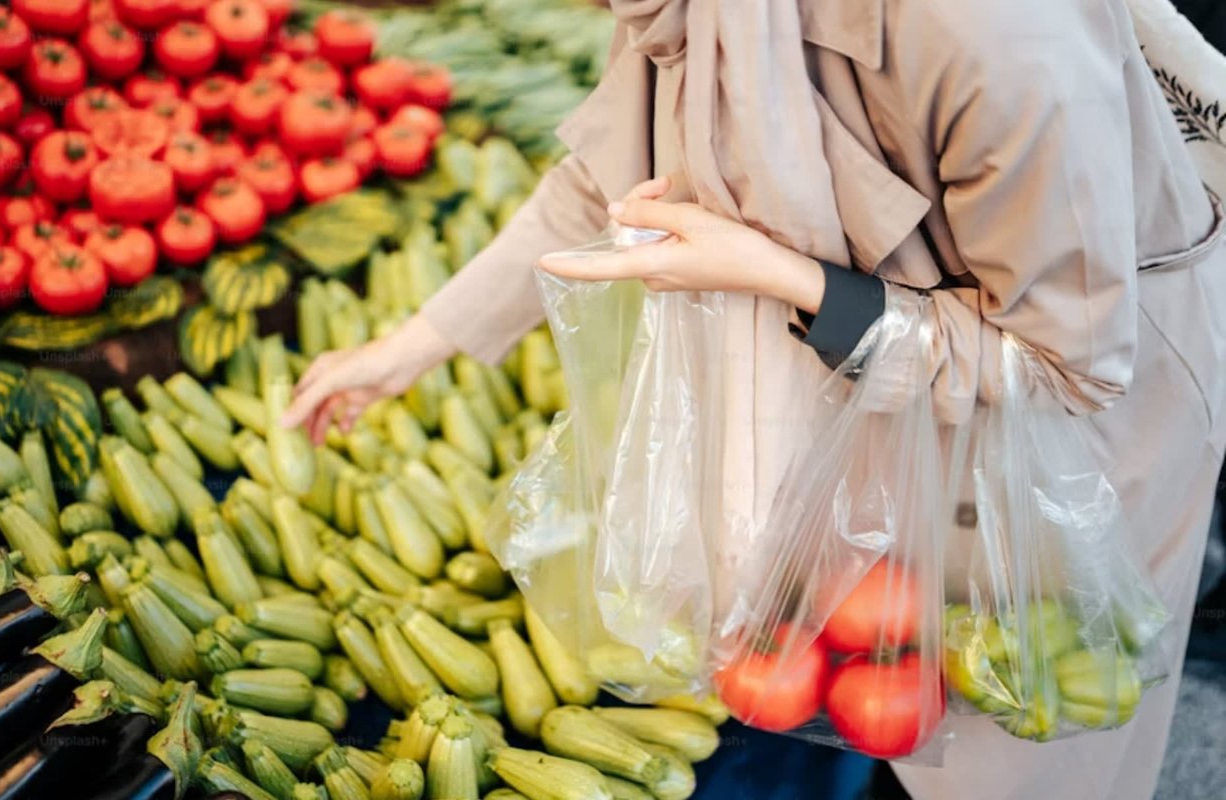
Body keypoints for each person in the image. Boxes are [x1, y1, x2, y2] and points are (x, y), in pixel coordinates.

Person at [284, 1, 1226, 798]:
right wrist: (416, 345)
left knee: (1023, 746)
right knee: (906, 706)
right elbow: (616, 171)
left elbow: (1068, 368)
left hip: (1068, 433)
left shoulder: (992, 32)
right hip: (886, 394)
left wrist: (787, 278)